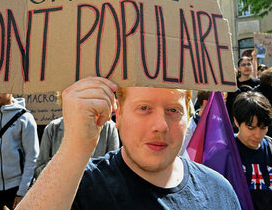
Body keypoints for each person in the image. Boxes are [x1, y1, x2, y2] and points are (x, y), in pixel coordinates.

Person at [17, 77, 241, 210]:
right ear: (119, 113)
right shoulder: (79, 188)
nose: (160, 125)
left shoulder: (220, 192)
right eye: (144, 108)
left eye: (173, 110)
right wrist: (76, 144)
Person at [233, 91, 272, 210]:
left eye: (263, 128)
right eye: (251, 128)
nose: (258, 135)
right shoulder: (225, 151)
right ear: (237, 122)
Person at [34, 117, 119, 178]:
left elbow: (112, 170)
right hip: (60, 195)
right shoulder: (53, 128)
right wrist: (60, 162)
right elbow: (38, 171)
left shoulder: (109, 128)